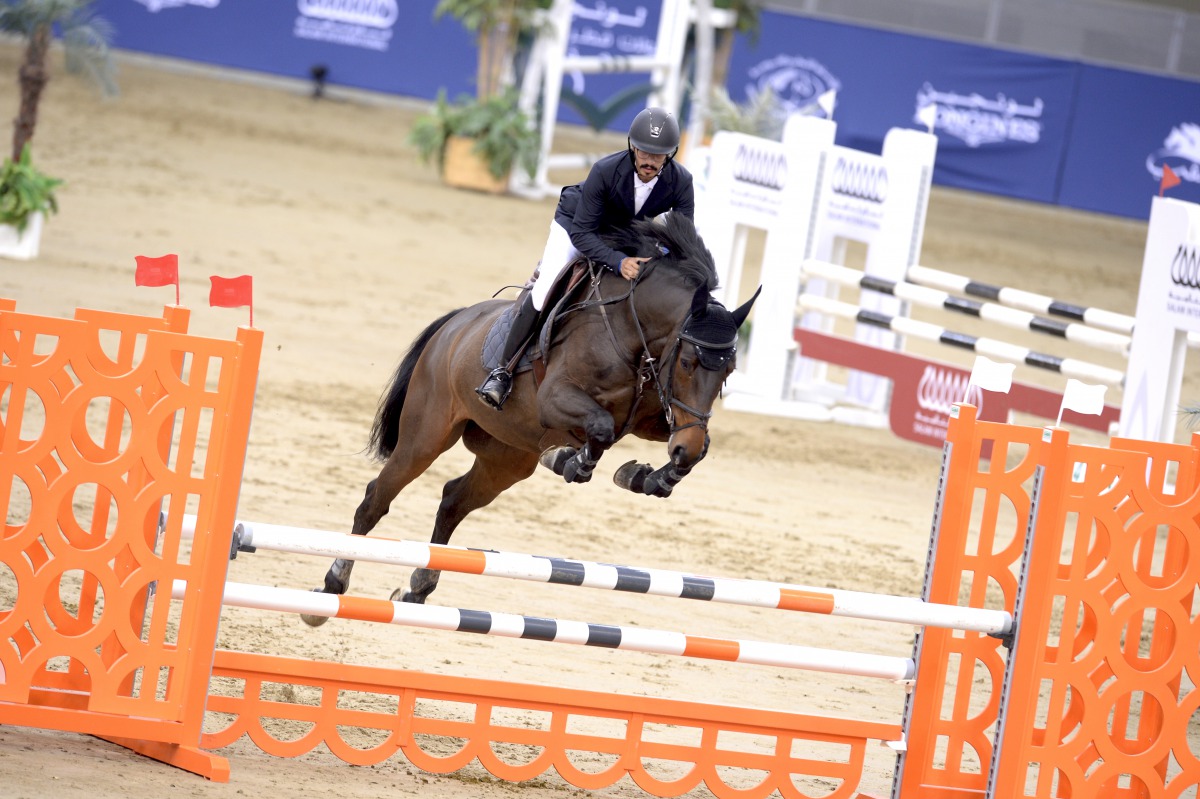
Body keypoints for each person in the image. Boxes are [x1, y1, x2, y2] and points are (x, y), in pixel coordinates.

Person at [476, 106, 696, 410]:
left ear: (670, 155)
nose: (649, 160)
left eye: (657, 155)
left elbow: (681, 237)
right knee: (544, 292)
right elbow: (582, 234)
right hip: (577, 226)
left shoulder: (681, 181)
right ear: (633, 146)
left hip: (626, 233)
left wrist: (660, 258)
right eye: (644, 152)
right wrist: (619, 262)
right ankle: (502, 372)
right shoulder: (606, 170)